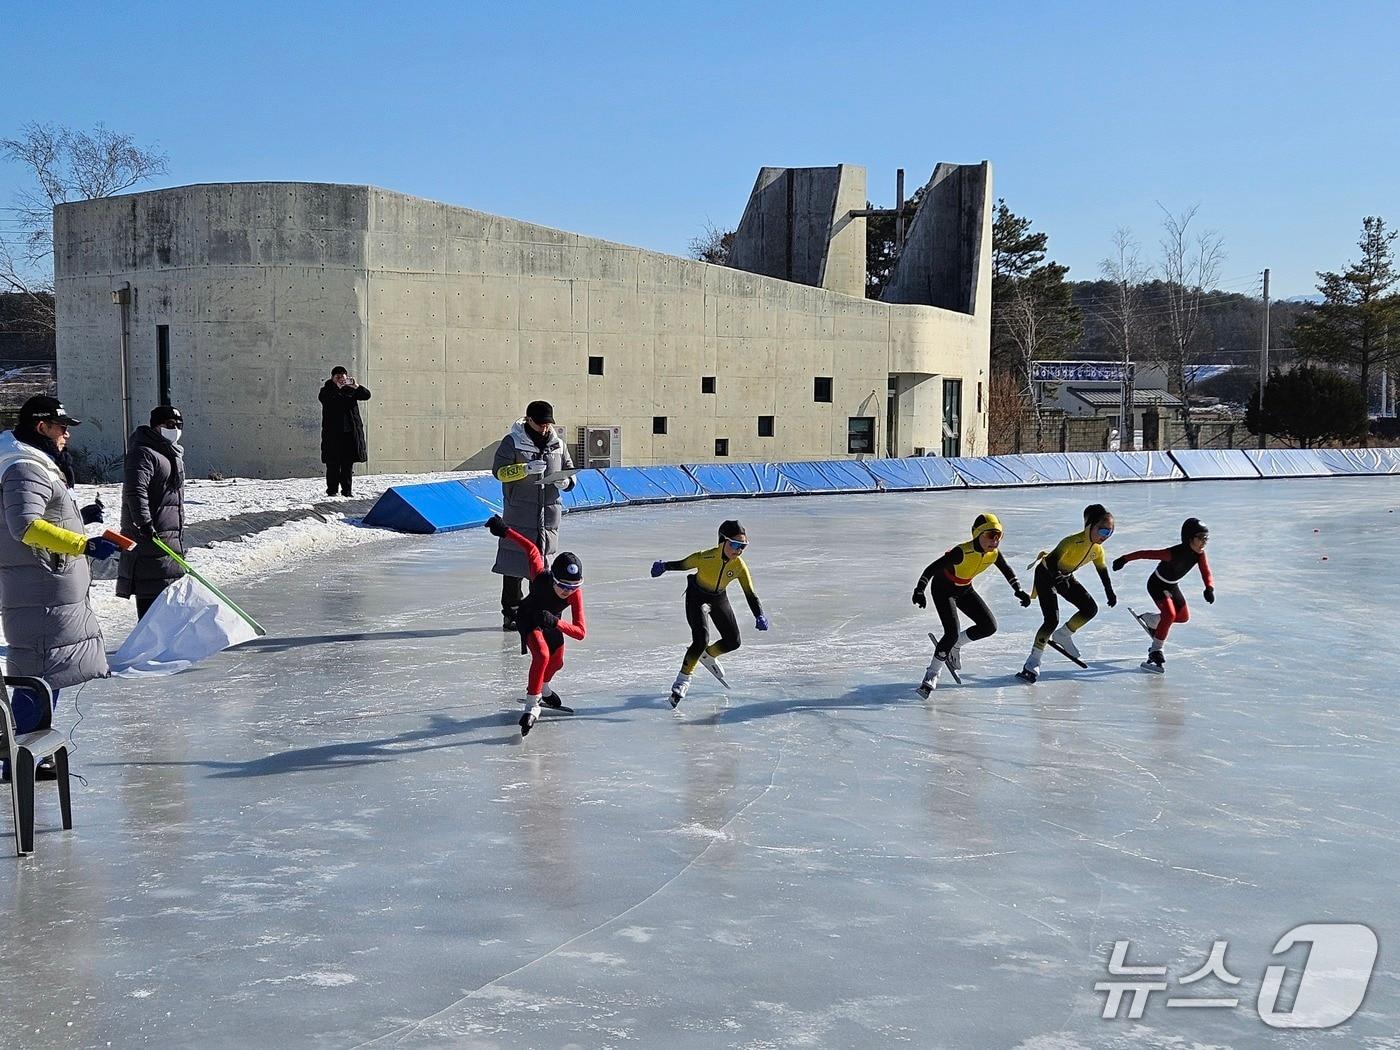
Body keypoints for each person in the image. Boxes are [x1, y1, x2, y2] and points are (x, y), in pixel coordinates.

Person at [0, 396, 118, 778]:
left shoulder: (34, 466)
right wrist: (84, 544)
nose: (67, 433)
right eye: (61, 426)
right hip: (40, 593)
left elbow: (37, 515)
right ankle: (15, 759)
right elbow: (26, 527)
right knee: (39, 675)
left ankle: (29, 755)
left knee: (50, 673)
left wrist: (79, 518)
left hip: (47, 591)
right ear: (41, 428)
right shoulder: (24, 466)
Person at [485, 514, 585, 737]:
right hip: (529, 617)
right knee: (541, 656)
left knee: (557, 662)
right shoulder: (540, 576)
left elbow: (580, 633)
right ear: (553, 579)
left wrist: (556, 622)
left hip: (551, 623)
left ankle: (544, 689)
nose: (567, 591)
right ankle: (532, 705)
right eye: (562, 586)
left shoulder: (574, 595)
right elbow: (530, 548)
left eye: (573, 586)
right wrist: (504, 531)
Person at [651, 519, 768, 707]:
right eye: (735, 545)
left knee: (733, 642)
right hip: (696, 596)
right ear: (723, 541)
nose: (739, 550)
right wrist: (663, 566)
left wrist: (759, 614)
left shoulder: (739, 566)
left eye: (743, 546)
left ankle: (708, 654)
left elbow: (750, 593)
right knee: (700, 639)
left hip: (718, 598)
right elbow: (682, 564)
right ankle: (682, 681)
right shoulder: (704, 557)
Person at [911, 512, 1031, 695]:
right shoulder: (961, 552)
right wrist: (919, 590)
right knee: (950, 632)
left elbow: (1007, 570)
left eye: (999, 536)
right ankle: (932, 674)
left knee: (989, 626)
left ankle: (956, 645)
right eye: (991, 535)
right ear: (978, 534)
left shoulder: (994, 554)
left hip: (964, 588)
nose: (995, 541)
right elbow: (932, 568)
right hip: (943, 589)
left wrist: (1018, 590)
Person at [492, 401, 576, 630]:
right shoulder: (512, 442)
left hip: (547, 516)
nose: (545, 428)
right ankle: (511, 612)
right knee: (513, 567)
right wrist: (524, 470)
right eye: (540, 424)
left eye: (548, 424)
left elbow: (570, 470)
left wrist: (566, 481)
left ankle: (537, 612)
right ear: (528, 420)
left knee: (541, 570)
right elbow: (498, 472)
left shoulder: (558, 444)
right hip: (520, 513)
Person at [1016, 503, 1118, 683]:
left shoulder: (1097, 550)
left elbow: (1102, 571)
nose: (1106, 537)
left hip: (1064, 576)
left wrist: (1110, 592)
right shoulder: (1070, 541)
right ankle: (1032, 662)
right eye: (1102, 531)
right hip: (1046, 574)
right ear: (1089, 526)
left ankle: (1063, 634)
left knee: (1090, 609)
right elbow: (1053, 562)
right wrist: (1057, 580)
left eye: (1110, 533)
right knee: (1051, 620)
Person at [1112, 517, 1215, 674]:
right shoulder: (1172, 553)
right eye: (1201, 538)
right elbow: (1146, 554)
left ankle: (1151, 620)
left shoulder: (1200, 555)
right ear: (1189, 538)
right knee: (1169, 614)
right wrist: (1124, 559)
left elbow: (1206, 571)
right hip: (1157, 585)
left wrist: (1209, 588)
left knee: (1182, 617)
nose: (1204, 542)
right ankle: (1155, 650)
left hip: (1172, 585)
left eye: (1206, 538)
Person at [116, 405, 187, 618]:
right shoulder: (143, 453)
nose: (175, 430)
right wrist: (144, 523)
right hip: (149, 538)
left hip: (169, 537)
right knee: (151, 599)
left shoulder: (171, 454)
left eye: (178, 425)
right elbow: (135, 490)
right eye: (169, 425)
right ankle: (149, 648)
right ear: (156, 427)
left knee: (168, 602)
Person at [319, 366, 371, 497]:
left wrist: (356, 386)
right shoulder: (326, 390)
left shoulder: (351, 389)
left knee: (347, 465)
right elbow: (328, 401)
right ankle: (332, 491)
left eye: (343, 377)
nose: (341, 379)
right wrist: (339, 389)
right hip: (333, 435)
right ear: (332, 378)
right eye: (338, 377)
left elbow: (366, 395)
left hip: (349, 434)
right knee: (333, 464)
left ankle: (347, 491)